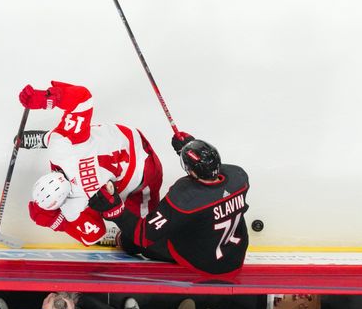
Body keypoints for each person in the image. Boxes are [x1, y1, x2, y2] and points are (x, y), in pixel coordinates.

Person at [17, 81, 163, 246]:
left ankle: (120, 237)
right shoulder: (61, 147)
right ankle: (46, 137)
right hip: (128, 138)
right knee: (67, 136)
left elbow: (93, 236)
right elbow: (82, 98)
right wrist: (46, 98)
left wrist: (56, 221)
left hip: (144, 176)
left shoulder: (75, 205)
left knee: (140, 242)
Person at [89, 133, 250, 275]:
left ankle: (120, 240)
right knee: (199, 219)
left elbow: (144, 234)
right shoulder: (239, 177)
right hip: (234, 255)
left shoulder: (184, 198)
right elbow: (211, 179)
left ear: (192, 171)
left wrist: (115, 211)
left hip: (206, 264)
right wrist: (190, 150)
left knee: (132, 240)